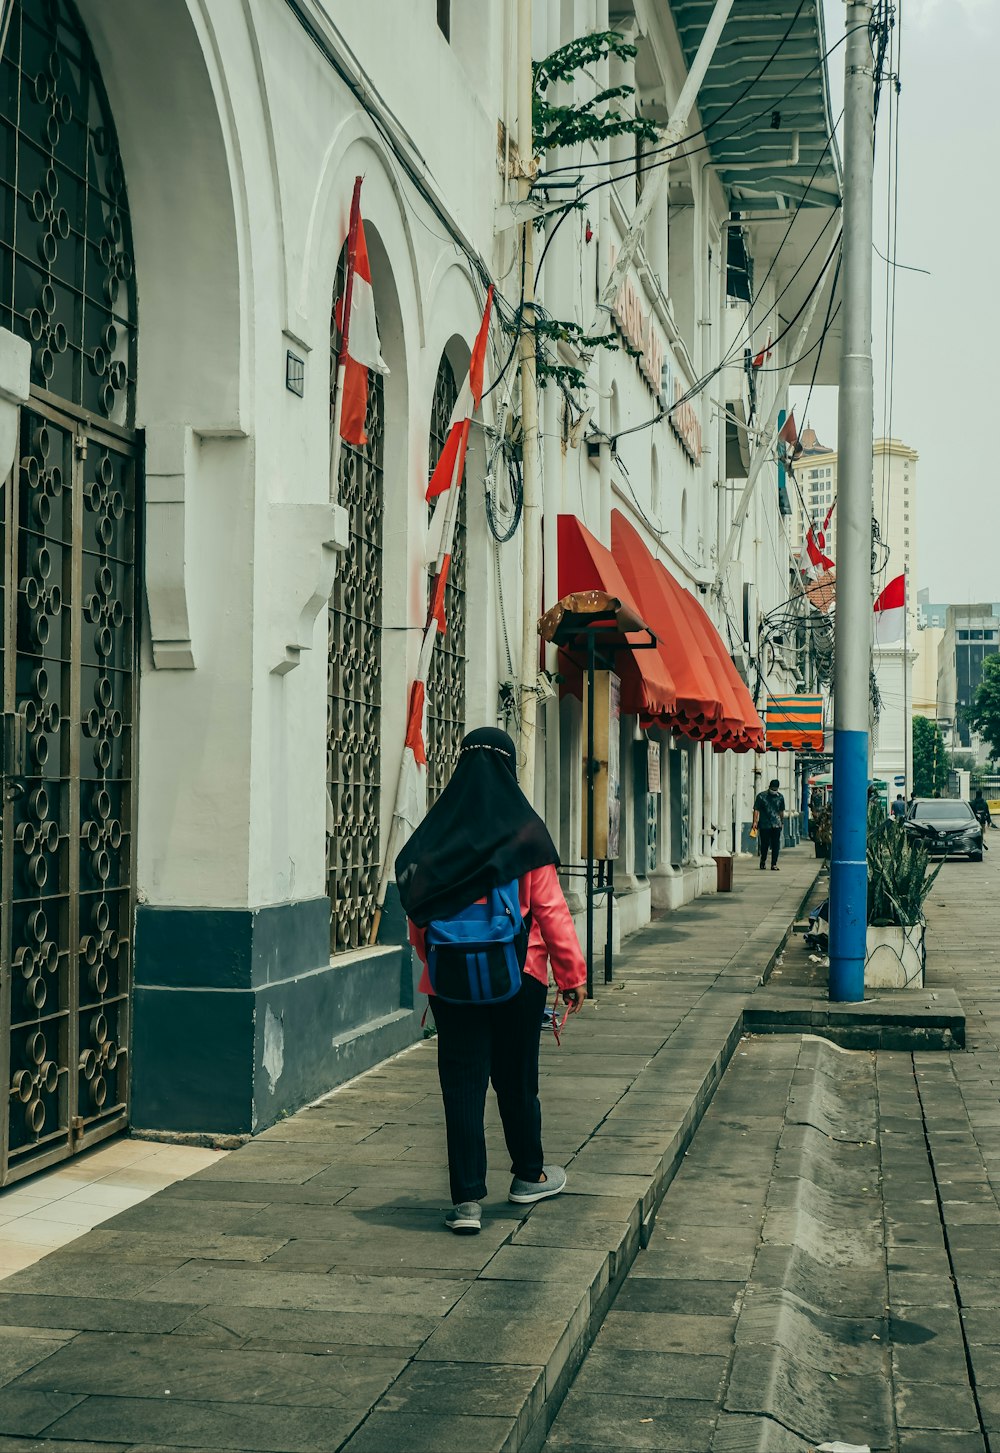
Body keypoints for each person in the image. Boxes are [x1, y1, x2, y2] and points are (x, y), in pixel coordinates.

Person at [396, 727, 587, 1236]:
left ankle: (466, 1204)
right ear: (509, 768)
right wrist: (571, 976)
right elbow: (551, 912)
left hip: (451, 981)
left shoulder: (437, 836)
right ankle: (529, 1175)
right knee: (516, 1078)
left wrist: (435, 962)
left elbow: (418, 915)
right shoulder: (525, 834)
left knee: (461, 1084)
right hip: (519, 977)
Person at [752, 778, 785, 871]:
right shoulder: (761, 796)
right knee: (764, 844)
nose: (774, 790)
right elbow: (756, 810)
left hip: (776, 825)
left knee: (775, 845)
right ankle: (763, 861)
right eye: (773, 788)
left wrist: (782, 822)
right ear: (769, 787)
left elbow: (781, 811)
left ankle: (774, 864)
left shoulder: (780, 797)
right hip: (764, 824)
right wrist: (755, 822)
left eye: (776, 789)